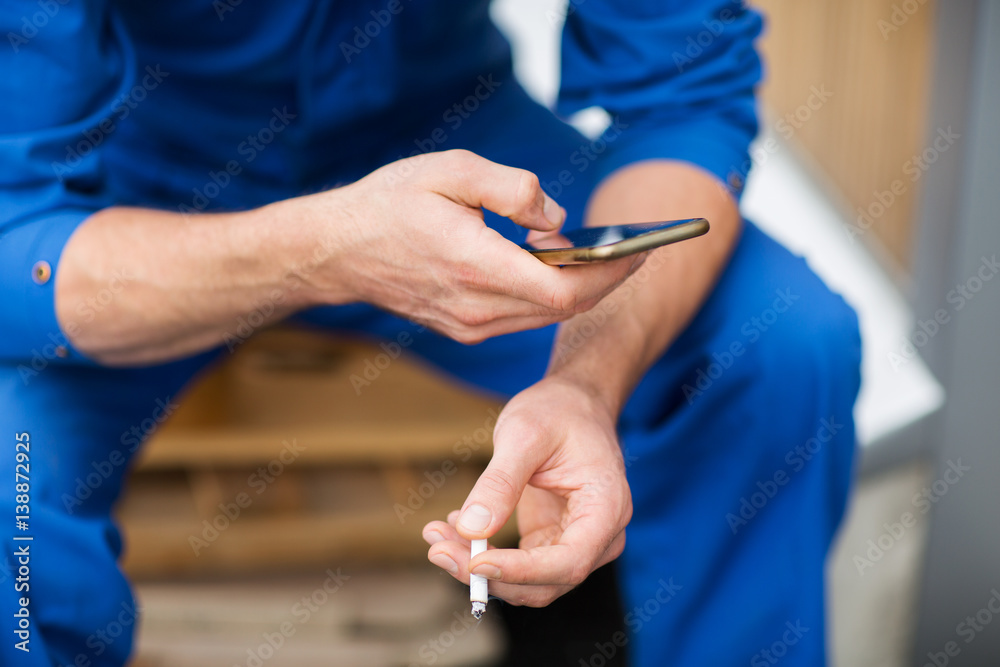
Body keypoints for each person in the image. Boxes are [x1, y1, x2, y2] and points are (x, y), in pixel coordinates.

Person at [0, 1, 861, 665]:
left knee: (777, 344)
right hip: (124, 189)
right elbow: (13, 238)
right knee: (12, 485)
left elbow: (684, 95)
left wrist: (586, 382)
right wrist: (323, 249)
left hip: (454, 135)